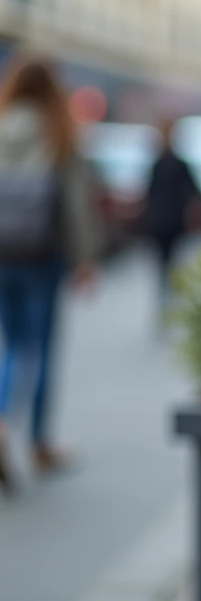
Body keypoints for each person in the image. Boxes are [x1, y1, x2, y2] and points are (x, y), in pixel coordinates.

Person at [0, 53, 100, 493]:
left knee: (12, 343)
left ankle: (5, 424)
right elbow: (77, 206)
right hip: (42, 256)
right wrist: (85, 259)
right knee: (37, 347)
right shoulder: (60, 133)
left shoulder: (1, 126)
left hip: (2, 254)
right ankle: (37, 442)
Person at [141, 117, 201, 322]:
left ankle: (167, 305)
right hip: (165, 222)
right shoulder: (164, 162)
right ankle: (166, 306)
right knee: (167, 266)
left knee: (168, 266)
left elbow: (193, 193)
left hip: (167, 222)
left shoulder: (166, 163)